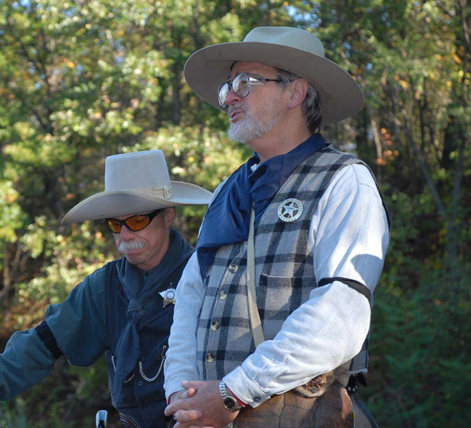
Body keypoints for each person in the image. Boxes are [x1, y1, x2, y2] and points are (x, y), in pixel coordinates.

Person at [163, 26, 390, 428]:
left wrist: (233, 393)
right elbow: (189, 305)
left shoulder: (344, 181)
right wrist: (185, 399)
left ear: (295, 93)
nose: (229, 96)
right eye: (227, 87)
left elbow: (340, 316)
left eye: (243, 83)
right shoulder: (225, 193)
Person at [0, 150, 212, 428]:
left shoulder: (208, 275)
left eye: (136, 220)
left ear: (168, 216)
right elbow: (38, 346)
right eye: (114, 224)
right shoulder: (105, 287)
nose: (124, 235)